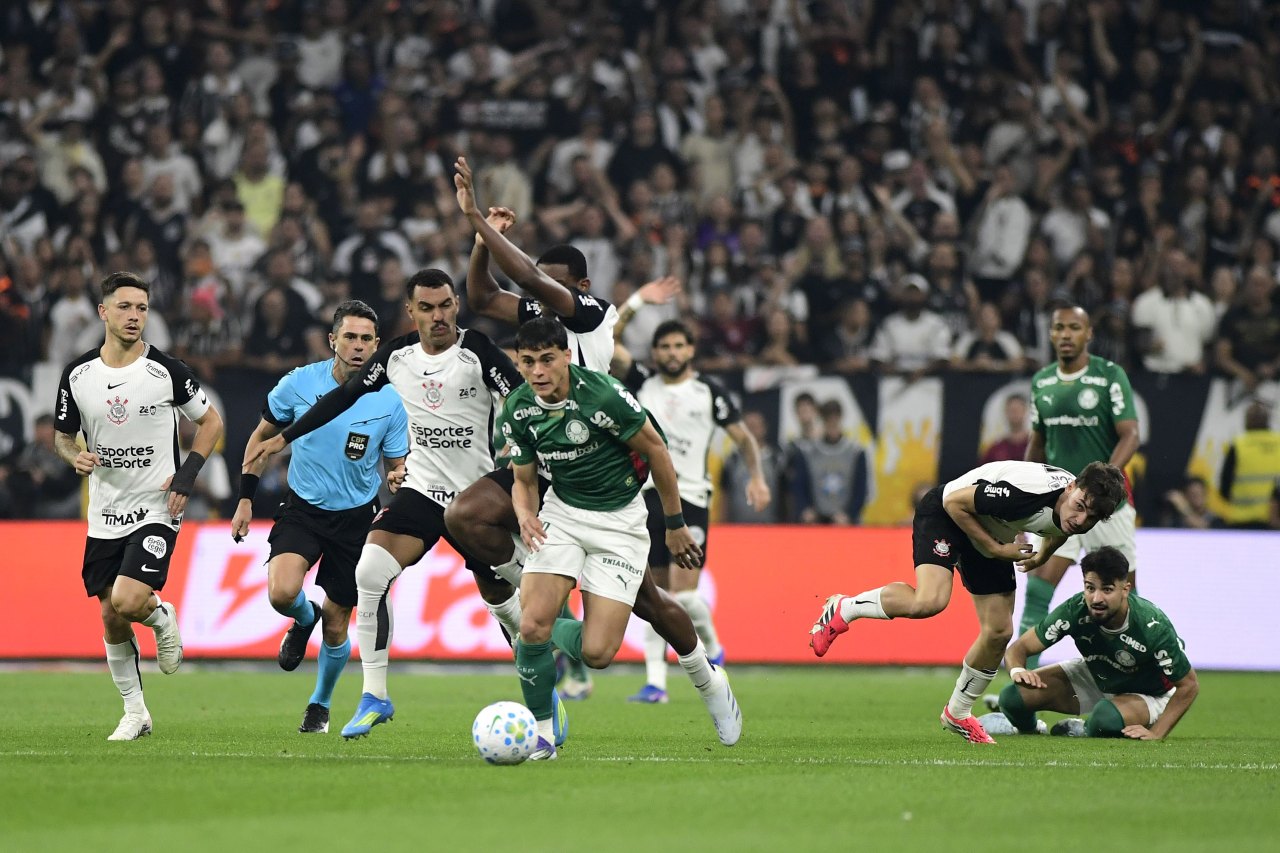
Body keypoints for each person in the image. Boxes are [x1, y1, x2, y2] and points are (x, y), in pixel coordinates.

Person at [444, 157, 719, 708]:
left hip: (601, 474)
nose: (542, 295)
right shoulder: (541, 319)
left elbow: (524, 276)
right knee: (464, 516)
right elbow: (480, 298)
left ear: (580, 286)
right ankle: (526, 603)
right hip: (544, 462)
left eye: (553, 284)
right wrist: (485, 241)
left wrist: (474, 216)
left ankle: (704, 673)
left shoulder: (591, 313)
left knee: (649, 605)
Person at [244, 269, 537, 740]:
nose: (437, 315)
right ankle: (374, 695)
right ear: (411, 311)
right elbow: (342, 398)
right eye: (427, 307)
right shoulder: (396, 355)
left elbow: (524, 400)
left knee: (511, 612)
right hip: (420, 494)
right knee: (370, 572)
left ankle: (544, 699)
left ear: (456, 305)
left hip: (476, 498)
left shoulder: (478, 350)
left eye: (445, 305)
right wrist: (283, 437)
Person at [497, 317, 740, 760]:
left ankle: (709, 679)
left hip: (620, 520)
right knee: (531, 626)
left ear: (567, 356)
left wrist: (675, 523)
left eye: (547, 360)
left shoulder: (603, 394)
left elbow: (657, 451)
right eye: (528, 362)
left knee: (597, 653)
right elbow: (524, 479)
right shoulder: (518, 407)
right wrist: (525, 514)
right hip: (563, 514)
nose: (538, 372)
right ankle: (543, 736)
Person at [809, 459, 1126, 744]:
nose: (1081, 519)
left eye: (1092, 517)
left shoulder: (1075, 507)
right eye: (1081, 506)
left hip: (991, 534)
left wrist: (1043, 553)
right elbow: (954, 501)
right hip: (947, 516)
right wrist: (998, 549)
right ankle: (843, 608)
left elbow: (1062, 525)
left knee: (999, 632)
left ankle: (958, 713)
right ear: (1071, 488)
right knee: (929, 601)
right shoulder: (1025, 491)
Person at [53, 271, 225, 740]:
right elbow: (62, 437)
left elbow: (210, 422)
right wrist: (75, 456)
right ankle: (136, 713)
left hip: (157, 505)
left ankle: (161, 616)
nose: (134, 316)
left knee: (129, 600)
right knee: (110, 614)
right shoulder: (78, 374)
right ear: (104, 312)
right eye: (125, 307)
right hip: (106, 510)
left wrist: (187, 475)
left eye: (142, 308)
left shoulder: (166, 370)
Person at [231, 301, 408, 734]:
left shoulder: (390, 400)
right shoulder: (298, 384)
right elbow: (261, 438)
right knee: (281, 593)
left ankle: (320, 704)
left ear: (378, 345)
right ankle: (301, 618)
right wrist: (245, 500)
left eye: (367, 339)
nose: (358, 346)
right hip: (304, 509)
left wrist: (401, 476)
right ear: (333, 340)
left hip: (356, 520)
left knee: (338, 623)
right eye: (350, 336)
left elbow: (396, 463)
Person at [610, 319, 772, 703]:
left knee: (682, 597)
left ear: (691, 350)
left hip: (691, 501)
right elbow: (607, 343)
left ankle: (713, 646)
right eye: (664, 346)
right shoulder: (642, 383)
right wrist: (635, 306)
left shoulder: (708, 392)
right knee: (654, 595)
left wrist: (757, 478)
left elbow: (743, 438)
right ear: (655, 352)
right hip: (647, 499)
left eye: (679, 346)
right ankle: (656, 684)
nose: (672, 353)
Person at [1019, 305, 1140, 668]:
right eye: (1059, 327)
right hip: (1061, 507)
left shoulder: (1109, 376)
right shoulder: (1042, 382)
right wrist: (1022, 507)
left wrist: (1100, 488)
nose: (1066, 334)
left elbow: (1131, 435)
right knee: (1039, 586)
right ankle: (1022, 682)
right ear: (1051, 334)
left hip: (1108, 510)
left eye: (1074, 327)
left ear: (1089, 333)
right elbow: (1037, 445)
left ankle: (1132, 680)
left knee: (1122, 597)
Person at [978, 547, 1198, 740]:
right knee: (1012, 697)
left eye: (1107, 589)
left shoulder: (1151, 626)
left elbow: (1189, 686)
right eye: (1090, 588)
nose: (1096, 598)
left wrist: (1157, 733)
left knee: (1106, 719)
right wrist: (1018, 670)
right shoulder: (1076, 609)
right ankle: (1030, 730)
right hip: (1099, 674)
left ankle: (1085, 728)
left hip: (1149, 693)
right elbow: (1019, 648)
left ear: (1125, 590)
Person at [795, 400, 867, 525]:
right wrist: (806, 509)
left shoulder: (855, 452)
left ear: (840, 419)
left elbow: (861, 488)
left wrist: (849, 514)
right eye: (828, 420)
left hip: (846, 522)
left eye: (835, 420)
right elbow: (799, 484)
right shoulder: (808, 452)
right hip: (816, 521)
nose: (832, 424)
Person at [1218, 402, 1280, 529]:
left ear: (1246, 420)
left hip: (1241, 521)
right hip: (1273, 521)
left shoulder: (1239, 445)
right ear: (1267, 420)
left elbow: (1225, 487)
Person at [982, 394, 1031, 463]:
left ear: (1025, 411)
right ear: (1005, 412)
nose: (1015, 414)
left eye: (1018, 410)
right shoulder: (996, 450)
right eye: (1011, 410)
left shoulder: (1036, 447)